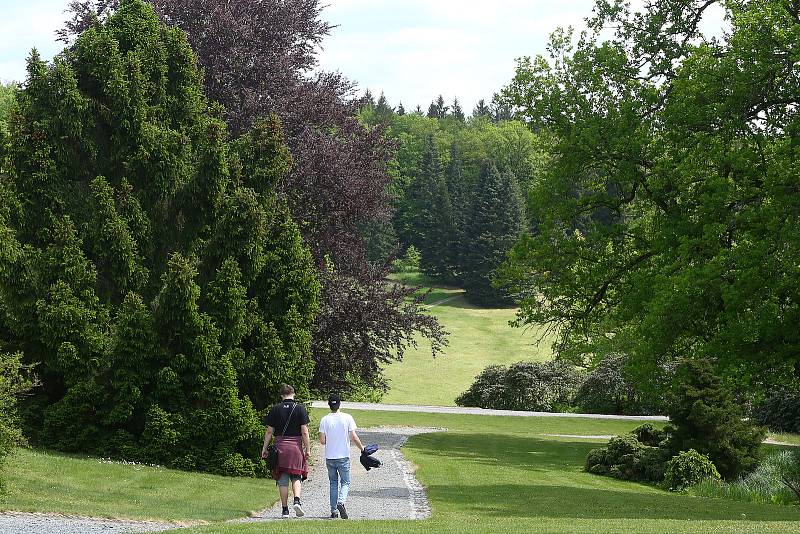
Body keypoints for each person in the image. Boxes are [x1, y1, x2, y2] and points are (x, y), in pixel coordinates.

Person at [261, 384, 311, 518]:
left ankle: (285, 510)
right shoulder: (300, 409)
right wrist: (308, 449)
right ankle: (297, 501)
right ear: (293, 394)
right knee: (296, 476)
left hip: (280, 448)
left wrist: (264, 448)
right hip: (295, 448)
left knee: (282, 480)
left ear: (282, 395)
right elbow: (304, 432)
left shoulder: (275, 409)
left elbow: (269, 432)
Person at [318, 394, 364, 519]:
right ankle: (341, 501)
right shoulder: (347, 418)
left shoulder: (324, 420)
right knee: (345, 481)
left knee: (333, 483)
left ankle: (333, 511)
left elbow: (322, 441)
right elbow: (354, 437)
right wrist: (362, 449)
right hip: (343, 456)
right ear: (339, 404)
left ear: (329, 404)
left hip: (330, 457)